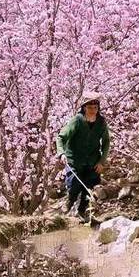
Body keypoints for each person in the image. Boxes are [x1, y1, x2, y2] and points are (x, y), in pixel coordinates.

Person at [56, 91, 110, 222]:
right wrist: (61, 153)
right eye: (90, 108)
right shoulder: (77, 121)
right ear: (84, 108)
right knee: (74, 184)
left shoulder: (101, 122)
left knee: (89, 188)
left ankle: (82, 212)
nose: (93, 110)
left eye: (95, 108)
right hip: (74, 160)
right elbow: (61, 137)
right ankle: (69, 202)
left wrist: (101, 161)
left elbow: (106, 142)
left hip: (93, 161)